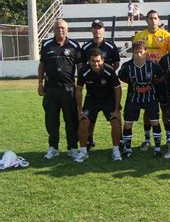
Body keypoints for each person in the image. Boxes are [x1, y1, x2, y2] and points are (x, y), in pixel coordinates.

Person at [38, 19, 81, 160]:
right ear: (54, 29)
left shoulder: (74, 46)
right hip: (50, 90)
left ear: (67, 30)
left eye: (63, 28)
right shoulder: (46, 45)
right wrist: (40, 83)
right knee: (51, 120)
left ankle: (73, 148)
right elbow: (42, 65)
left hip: (68, 90)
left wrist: (80, 86)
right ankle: (53, 148)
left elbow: (80, 67)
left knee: (71, 120)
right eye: (58, 28)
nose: (60, 30)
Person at [133, 10, 170, 151]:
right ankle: (147, 139)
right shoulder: (139, 36)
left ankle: (168, 138)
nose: (153, 20)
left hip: (161, 79)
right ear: (146, 20)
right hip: (145, 79)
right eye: (150, 18)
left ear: (159, 19)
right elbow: (135, 57)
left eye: (155, 18)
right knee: (148, 110)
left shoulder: (166, 36)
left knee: (165, 109)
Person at [118, 41, 165, 158]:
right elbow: (122, 77)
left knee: (155, 122)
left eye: (141, 52)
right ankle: (128, 149)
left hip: (150, 98)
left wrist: (152, 83)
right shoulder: (127, 66)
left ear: (146, 52)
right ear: (132, 53)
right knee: (128, 123)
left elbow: (161, 75)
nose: (138, 55)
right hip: (133, 98)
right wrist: (134, 85)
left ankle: (158, 148)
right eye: (136, 52)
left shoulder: (153, 65)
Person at [75, 49, 122, 162]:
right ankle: (83, 151)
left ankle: (116, 150)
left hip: (108, 99)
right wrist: (80, 110)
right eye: (93, 61)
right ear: (89, 61)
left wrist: (116, 109)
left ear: (102, 60)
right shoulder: (83, 71)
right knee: (83, 122)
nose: (96, 64)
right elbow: (79, 90)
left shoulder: (109, 70)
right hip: (92, 100)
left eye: (98, 61)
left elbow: (118, 89)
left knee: (115, 121)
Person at [81, 19, 121, 151]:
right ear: (91, 30)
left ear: (104, 30)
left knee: (115, 117)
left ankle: (118, 143)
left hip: (108, 90)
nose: (97, 30)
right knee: (89, 119)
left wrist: (106, 75)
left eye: (100, 28)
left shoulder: (110, 46)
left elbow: (116, 64)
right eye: (95, 28)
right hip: (92, 91)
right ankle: (89, 139)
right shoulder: (86, 47)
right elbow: (82, 66)